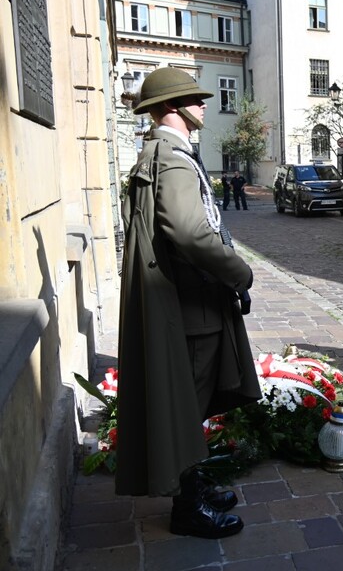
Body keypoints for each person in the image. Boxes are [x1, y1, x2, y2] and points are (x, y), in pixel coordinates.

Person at [117, 67, 260, 539]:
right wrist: (239, 272)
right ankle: (186, 507)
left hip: (185, 299)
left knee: (189, 401)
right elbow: (189, 232)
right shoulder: (174, 159)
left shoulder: (160, 152)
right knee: (188, 403)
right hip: (194, 303)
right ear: (172, 108)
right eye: (193, 98)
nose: (203, 104)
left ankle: (193, 484)